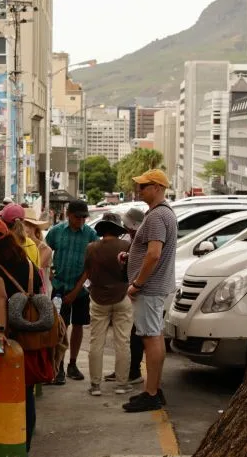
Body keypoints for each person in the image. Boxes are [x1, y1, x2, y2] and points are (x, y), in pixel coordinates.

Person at [0, 217, 43, 451]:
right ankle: (24, 445)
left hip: (0, 330)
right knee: (25, 388)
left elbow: (0, 298)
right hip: (28, 327)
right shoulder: (22, 257)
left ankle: (3, 444)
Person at [123, 170, 177, 413]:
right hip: (156, 287)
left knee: (150, 337)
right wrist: (130, 256)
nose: (139, 189)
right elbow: (151, 250)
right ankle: (152, 389)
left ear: (156, 187)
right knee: (154, 337)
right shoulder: (163, 213)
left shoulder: (157, 216)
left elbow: (155, 253)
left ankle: (152, 393)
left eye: (143, 186)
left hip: (149, 288)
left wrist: (137, 283)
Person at [68, 213, 133, 397]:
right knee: (123, 342)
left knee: (97, 342)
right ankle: (121, 384)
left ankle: (95, 385)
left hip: (98, 298)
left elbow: (88, 271)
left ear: (102, 230)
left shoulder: (91, 247)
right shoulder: (127, 246)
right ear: (118, 229)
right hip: (122, 296)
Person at [45, 199, 99, 385]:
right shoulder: (56, 232)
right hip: (60, 288)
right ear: (69, 215)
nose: (81, 220)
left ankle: (73, 364)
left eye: (84, 217)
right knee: (60, 327)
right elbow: (45, 253)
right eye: (78, 217)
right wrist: (51, 275)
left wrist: (77, 290)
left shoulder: (91, 235)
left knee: (78, 325)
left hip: (81, 290)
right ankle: (58, 365)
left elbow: (91, 267)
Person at [105, 207, 147, 384]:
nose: (128, 230)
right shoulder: (135, 238)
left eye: (130, 227)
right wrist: (127, 256)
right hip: (131, 291)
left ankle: (132, 371)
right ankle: (125, 369)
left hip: (139, 292)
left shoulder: (144, 238)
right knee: (127, 335)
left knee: (135, 335)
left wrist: (136, 285)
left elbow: (148, 261)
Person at [22, 212, 52, 295]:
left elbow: (35, 272)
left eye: (25, 225)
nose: (23, 229)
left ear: (34, 227)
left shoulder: (45, 249)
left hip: (38, 294)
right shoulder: (19, 246)